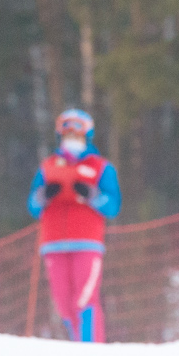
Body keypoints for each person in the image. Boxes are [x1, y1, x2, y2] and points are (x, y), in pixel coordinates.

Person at [28, 109, 122, 342]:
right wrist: (44, 195)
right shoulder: (48, 166)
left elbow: (113, 207)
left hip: (87, 242)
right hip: (53, 243)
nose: (71, 139)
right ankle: (77, 346)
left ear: (86, 136)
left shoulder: (101, 167)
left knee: (85, 299)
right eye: (67, 134)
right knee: (63, 303)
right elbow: (33, 206)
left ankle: (90, 348)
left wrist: (92, 195)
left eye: (76, 134)